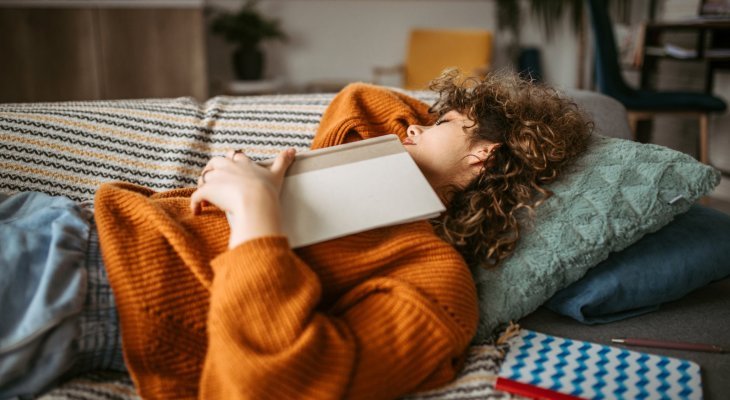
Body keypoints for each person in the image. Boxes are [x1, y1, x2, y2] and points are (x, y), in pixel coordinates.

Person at [0, 69, 591, 400]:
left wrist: (255, 215)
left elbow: (276, 383)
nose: (410, 123)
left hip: (83, 283)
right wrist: (433, 146)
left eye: (438, 123)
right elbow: (361, 101)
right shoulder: (355, 171)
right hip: (58, 216)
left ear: (484, 156)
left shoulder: (433, 281)